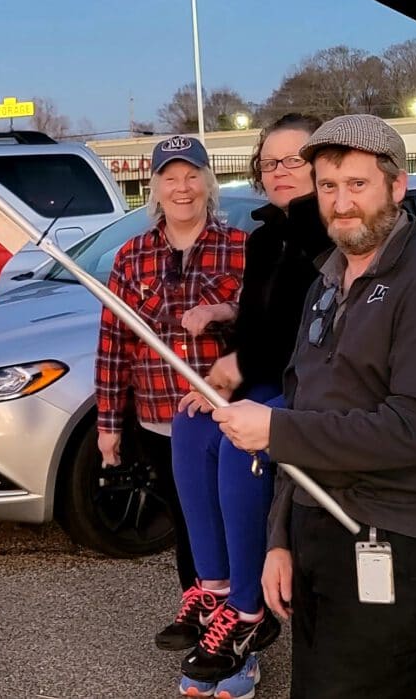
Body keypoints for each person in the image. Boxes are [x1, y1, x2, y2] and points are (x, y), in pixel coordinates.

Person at [212, 114, 416, 699]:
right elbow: (306, 406)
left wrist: (277, 430)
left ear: (397, 185)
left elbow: (415, 429)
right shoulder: (326, 283)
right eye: (329, 186)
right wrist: (280, 536)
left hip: (401, 537)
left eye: (357, 185)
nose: (341, 203)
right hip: (323, 528)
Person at [169, 114, 329, 697]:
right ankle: (211, 584)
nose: (279, 171)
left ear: (322, 166)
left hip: (309, 383)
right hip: (264, 372)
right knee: (190, 423)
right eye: (269, 162)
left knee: (242, 445)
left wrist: (237, 368)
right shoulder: (265, 237)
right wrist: (227, 359)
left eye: (294, 161)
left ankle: (245, 606)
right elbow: (261, 318)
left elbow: (297, 326)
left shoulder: (329, 234)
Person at [94, 134, 247, 671]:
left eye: (192, 175)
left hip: (225, 420)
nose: (182, 187)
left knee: (232, 523)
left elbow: (266, 327)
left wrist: (224, 311)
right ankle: (204, 621)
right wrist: (108, 425)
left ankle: (243, 631)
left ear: (208, 181)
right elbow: (113, 343)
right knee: (189, 527)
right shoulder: (131, 257)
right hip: (159, 419)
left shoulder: (241, 246)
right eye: (169, 177)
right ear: (154, 187)